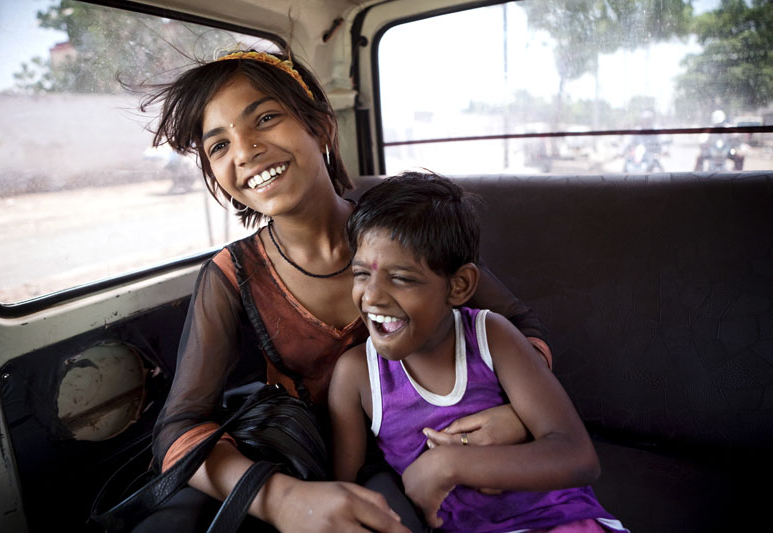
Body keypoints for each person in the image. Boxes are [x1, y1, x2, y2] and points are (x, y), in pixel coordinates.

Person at [140, 46, 552, 532]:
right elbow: (178, 430)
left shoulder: (402, 230)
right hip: (311, 461)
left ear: (321, 126)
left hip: (427, 443)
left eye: (265, 118)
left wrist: (517, 416)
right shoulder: (231, 275)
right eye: (219, 146)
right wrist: (280, 498)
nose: (246, 150)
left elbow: (522, 328)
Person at [330, 172, 627, 532]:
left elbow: (577, 456)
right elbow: (343, 492)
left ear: (459, 286)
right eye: (362, 274)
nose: (372, 296)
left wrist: (447, 465)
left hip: (558, 520)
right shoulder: (356, 374)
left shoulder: (491, 335)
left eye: (402, 278)